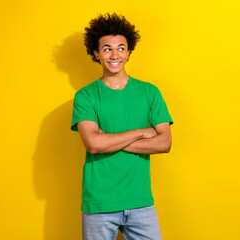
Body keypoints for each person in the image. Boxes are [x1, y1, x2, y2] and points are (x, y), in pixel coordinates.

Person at [70, 12, 173, 240]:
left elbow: (165, 142)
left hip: (141, 202)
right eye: (107, 49)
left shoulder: (149, 92)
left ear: (128, 52)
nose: (114, 54)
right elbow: (94, 145)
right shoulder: (85, 96)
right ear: (96, 53)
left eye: (121, 48)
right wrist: (140, 132)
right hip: (98, 204)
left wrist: (109, 139)